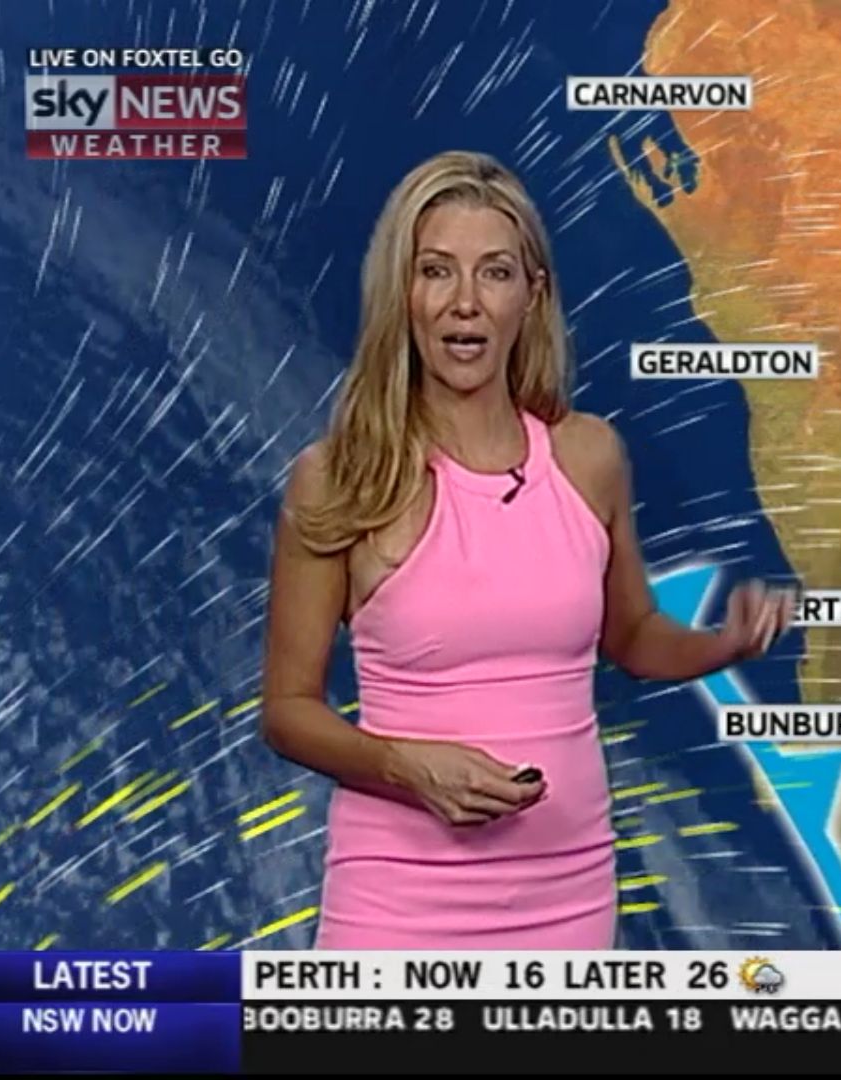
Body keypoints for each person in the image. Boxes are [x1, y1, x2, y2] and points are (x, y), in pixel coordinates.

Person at [260, 149, 795, 949]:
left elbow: (631, 635)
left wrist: (720, 645)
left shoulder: (589, 457)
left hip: (569, 905)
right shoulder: (341, 478)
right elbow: (287, 711)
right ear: (402, 294)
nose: (465, 302)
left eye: (495, 273)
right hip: (398, 912)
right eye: (436, 271)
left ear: (532, 295)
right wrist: (408, 766)